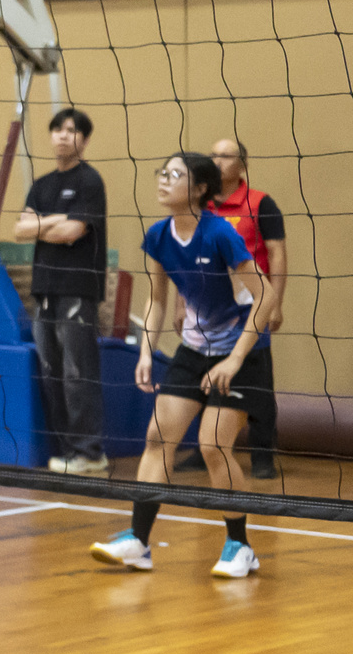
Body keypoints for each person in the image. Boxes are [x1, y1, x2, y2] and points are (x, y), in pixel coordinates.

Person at [91, 152, 269, 579]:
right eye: (163, 173)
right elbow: (157, 298)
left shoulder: (220, 235)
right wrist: (148, 351)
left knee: (212, 445)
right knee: (158, 436)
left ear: (200, 189)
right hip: (194, 350)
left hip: (242, 353)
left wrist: (235, 359)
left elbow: (264, 298)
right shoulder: (158, 236)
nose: (164, 181)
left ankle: (240, 546)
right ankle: (138, 541)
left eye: (175, 175)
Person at [15, 107, 110, 476]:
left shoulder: (90, 181)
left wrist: (43, 223)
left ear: (83, 140)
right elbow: (19, 230)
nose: (63, 136)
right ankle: (68, 449)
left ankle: (90, 452)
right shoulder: (42, 185)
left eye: (71, 131)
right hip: (46, 289)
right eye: (58, 129)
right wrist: (54, 221)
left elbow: (73, 233)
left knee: (77, 372)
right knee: (51, 371)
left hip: (78, 289)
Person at [204, 139, 286, 480]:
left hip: (251, 308)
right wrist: (181, 306)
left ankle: (263, 454)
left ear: (242, 166)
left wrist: (275, 303)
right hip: (207, 311)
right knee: (205, 375)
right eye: (213, 155)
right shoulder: (200, 205)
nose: (217, 161)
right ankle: (203, 449)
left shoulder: (261, 203)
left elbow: (277, 254)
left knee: (258, 383)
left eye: (226, 156)